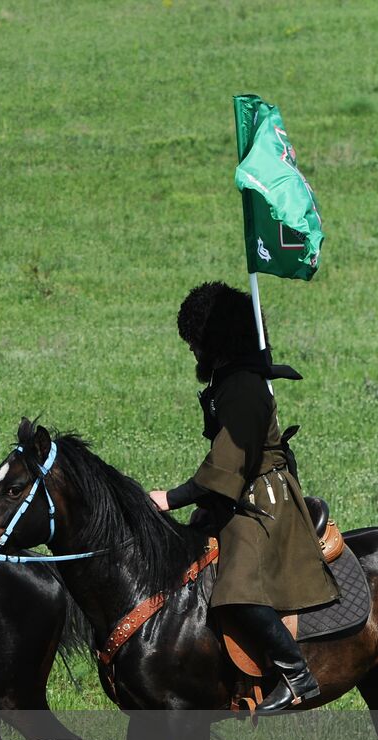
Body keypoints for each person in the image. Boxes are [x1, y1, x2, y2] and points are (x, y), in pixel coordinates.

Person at [149, 281, 337, 713]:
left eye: (196, 341)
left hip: (262, 500)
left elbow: (228, 462)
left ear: (216, 340)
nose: (193, 351)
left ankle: (296, 674)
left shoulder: (243, 387)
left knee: (237, 587)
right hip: (237, 492)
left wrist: (171, 498)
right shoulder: (230, 380)